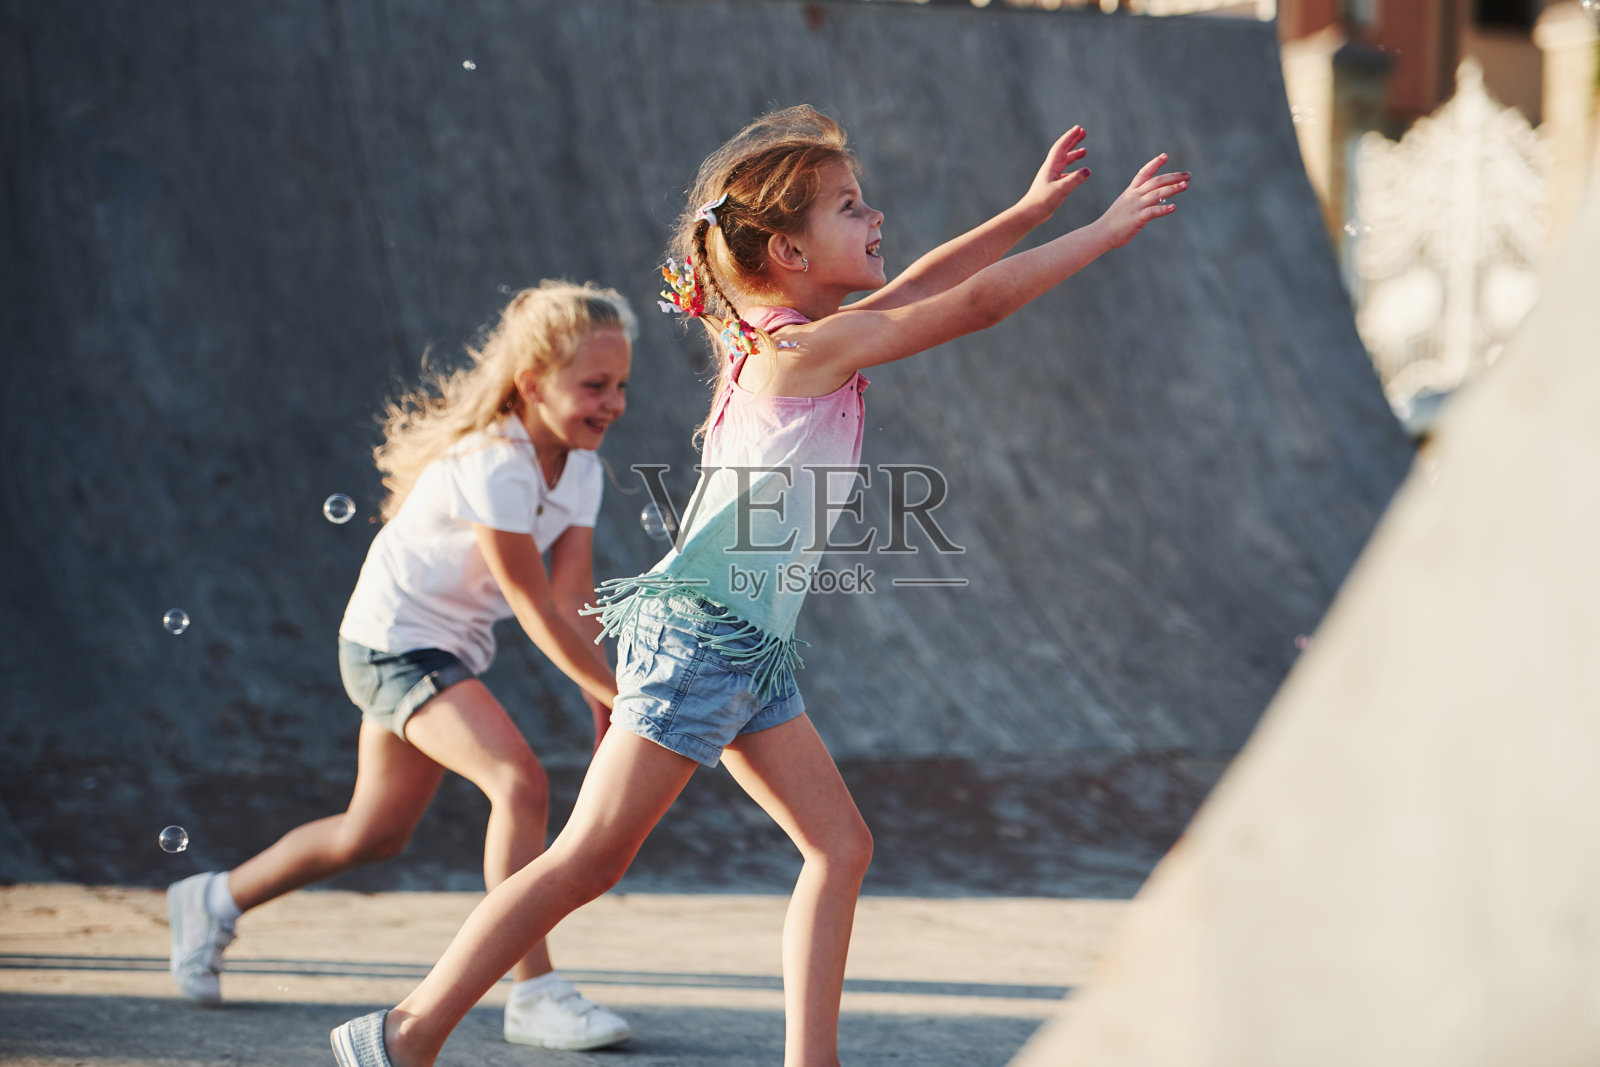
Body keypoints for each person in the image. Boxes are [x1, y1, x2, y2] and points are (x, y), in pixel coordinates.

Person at [328, 105, 1190, 1067]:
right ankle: (402, 1034)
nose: (874, 221)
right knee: (587, 859)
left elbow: (924, 284)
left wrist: (1028, 210)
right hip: (703, 638)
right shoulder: (798, 352)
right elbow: (973, 305)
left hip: (750, 647)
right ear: (787, 250)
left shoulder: (792, 335)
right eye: (849, 207)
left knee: (840, 848)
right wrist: (1105, 229)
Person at [169, 280, 637, 1052]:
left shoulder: (580, 469)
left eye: (620, 386)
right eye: (593, 385)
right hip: (393, 643)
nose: (612, 402)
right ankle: (535, 991)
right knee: (520, 780)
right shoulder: (496, 463)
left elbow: (574, 597)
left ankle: (214, 898)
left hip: (442, 649)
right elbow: (530, 603)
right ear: (532, 384)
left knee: (372, 832)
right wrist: (617, 692)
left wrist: (607, 699)